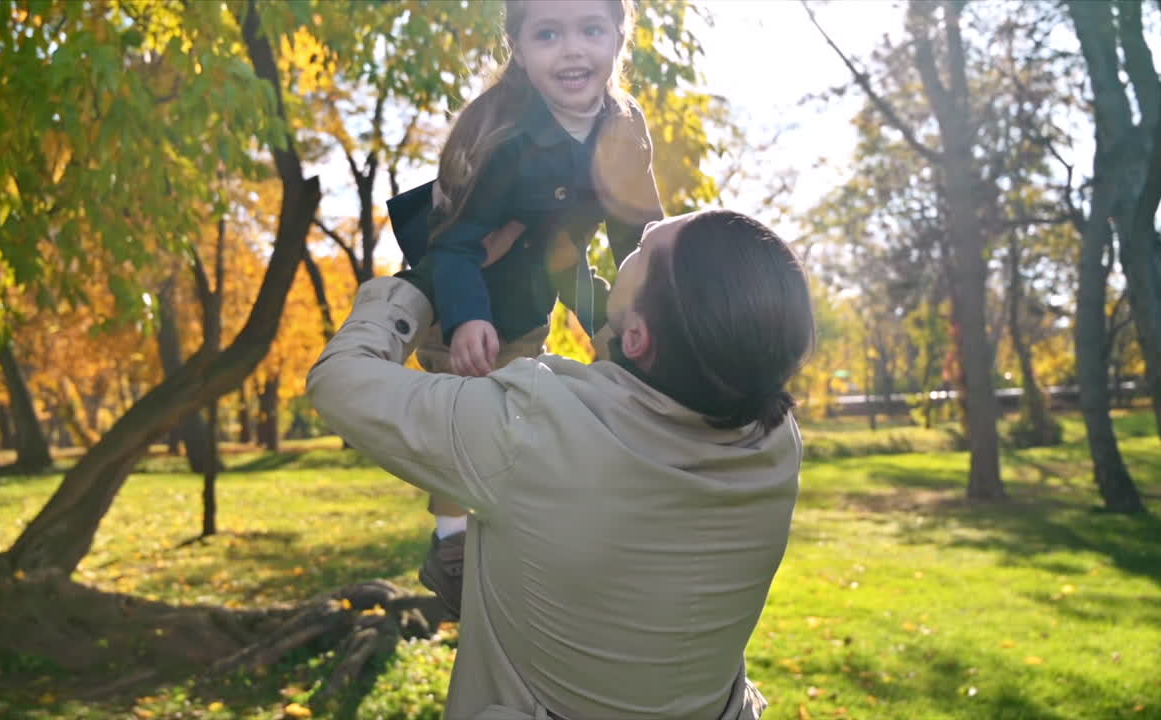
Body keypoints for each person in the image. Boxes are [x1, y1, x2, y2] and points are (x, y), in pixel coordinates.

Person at [308, 209, 815, 719]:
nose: (633, 243)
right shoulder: (775, 444)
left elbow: (341, 380)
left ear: (638, 336)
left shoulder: (530, 424)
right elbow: (661, 371)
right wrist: (578, 285)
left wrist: (424, 282)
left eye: (639, 253)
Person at [384, 0, 663, 614]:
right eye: (548, 34)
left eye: (591, 29)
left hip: (543, 286)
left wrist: (640, 312)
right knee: (470, 420)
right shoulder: (505, 137)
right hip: (467, 291)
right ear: (517, 44)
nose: (572, 49)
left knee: (535, 410)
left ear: (620, 35)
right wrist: (465, 318)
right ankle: (451, 547)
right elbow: (456, 244)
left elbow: (635, 233)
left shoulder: (623, 127)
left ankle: (605, 521)